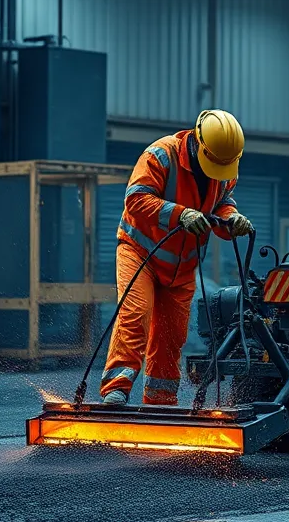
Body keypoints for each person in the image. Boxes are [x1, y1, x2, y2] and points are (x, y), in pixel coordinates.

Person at [99, 109, 252, 407]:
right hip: (141, 252)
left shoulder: (225, 168)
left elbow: (222, 204)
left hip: (182, 268)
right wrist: (180, 215)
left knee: (171, 337)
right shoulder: (161, 155)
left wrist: (232, 220)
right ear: (198, 142)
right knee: (136, 315)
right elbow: (135, 200)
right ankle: (116, 389)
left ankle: (160, 402)